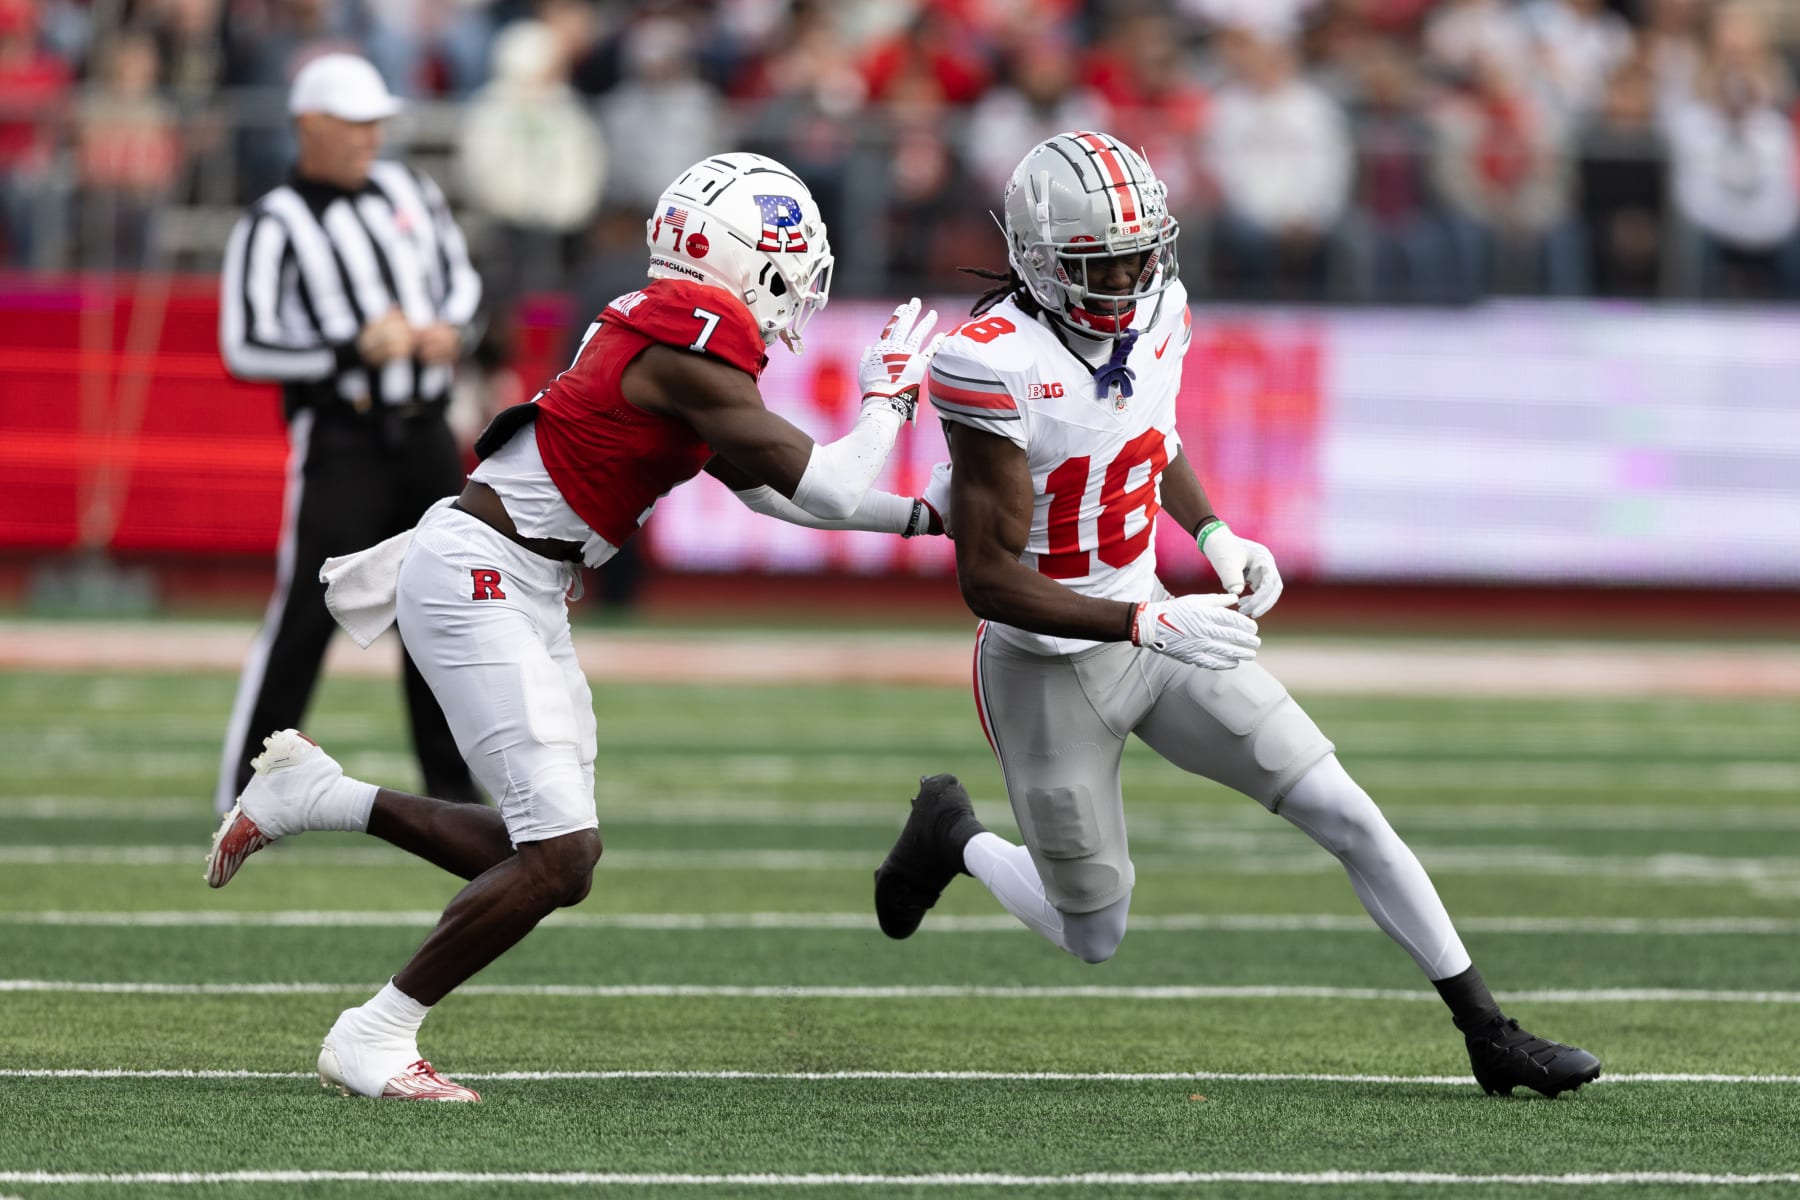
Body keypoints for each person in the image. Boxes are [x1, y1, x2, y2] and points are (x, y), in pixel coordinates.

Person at [872, 129, 1602, 1100]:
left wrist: (1215, 535)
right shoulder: (991, 365)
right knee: (1093, 932)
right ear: (1043, 263)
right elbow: (987, 578)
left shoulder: (1162, 310)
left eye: (1141, 256)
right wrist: (1142, 625)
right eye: (1103, 263)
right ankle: (952, 834)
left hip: (1158, 622)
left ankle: (1488, 1032)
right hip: (1047, 661)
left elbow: (1149, 433)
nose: (1130, 280)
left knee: (1343, 807)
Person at [203, 151, 947, 1102]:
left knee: (561, 856)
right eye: (790, 265)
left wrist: (928, 521)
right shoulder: (691, 335)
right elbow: (832, 480)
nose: (798, 290)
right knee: (555, 855)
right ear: (742, 263)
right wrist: (888, 397)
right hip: (485, 574)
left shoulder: (675, 340)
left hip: (515, 578)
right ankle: (374, 1033)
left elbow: (782, 497)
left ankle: (320, 796)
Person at [214, 51, 484, 815]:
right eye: (355, 124)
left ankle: (449, 782)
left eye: (377, 123)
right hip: (344, 435)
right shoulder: (273, 220)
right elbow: (244, 344)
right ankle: (246, 785)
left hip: (427, 428)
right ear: (310, 126)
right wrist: (347, 351)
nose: (371, 138)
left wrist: (449, 329)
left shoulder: (409, 188)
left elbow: (461, 279)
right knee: (308, 611)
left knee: (442, 608)